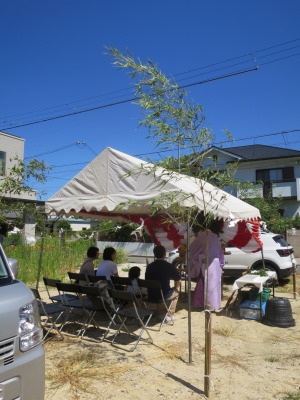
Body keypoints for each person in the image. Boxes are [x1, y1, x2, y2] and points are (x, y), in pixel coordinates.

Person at [189, 217, 224, 311]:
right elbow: (220, 252)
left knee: (202, 283)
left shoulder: (200, 237)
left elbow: (192, 249)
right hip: (215, 264)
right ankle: (214, 304)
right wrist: (221, 264)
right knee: (214, 285)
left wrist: (197, 258)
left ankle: (201, 304)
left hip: (204, 264)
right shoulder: (215, 237)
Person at [145, 245, 181, 319]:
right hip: (164, 295)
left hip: (151, 295)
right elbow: (178, 280)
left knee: (159, 290)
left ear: (154, 254)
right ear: (165, 254)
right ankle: (169, 314)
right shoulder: (168, 266)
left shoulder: (149, 267)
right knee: (176, 292)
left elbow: (146, 280)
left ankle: (158, 312)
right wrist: (175, 288)